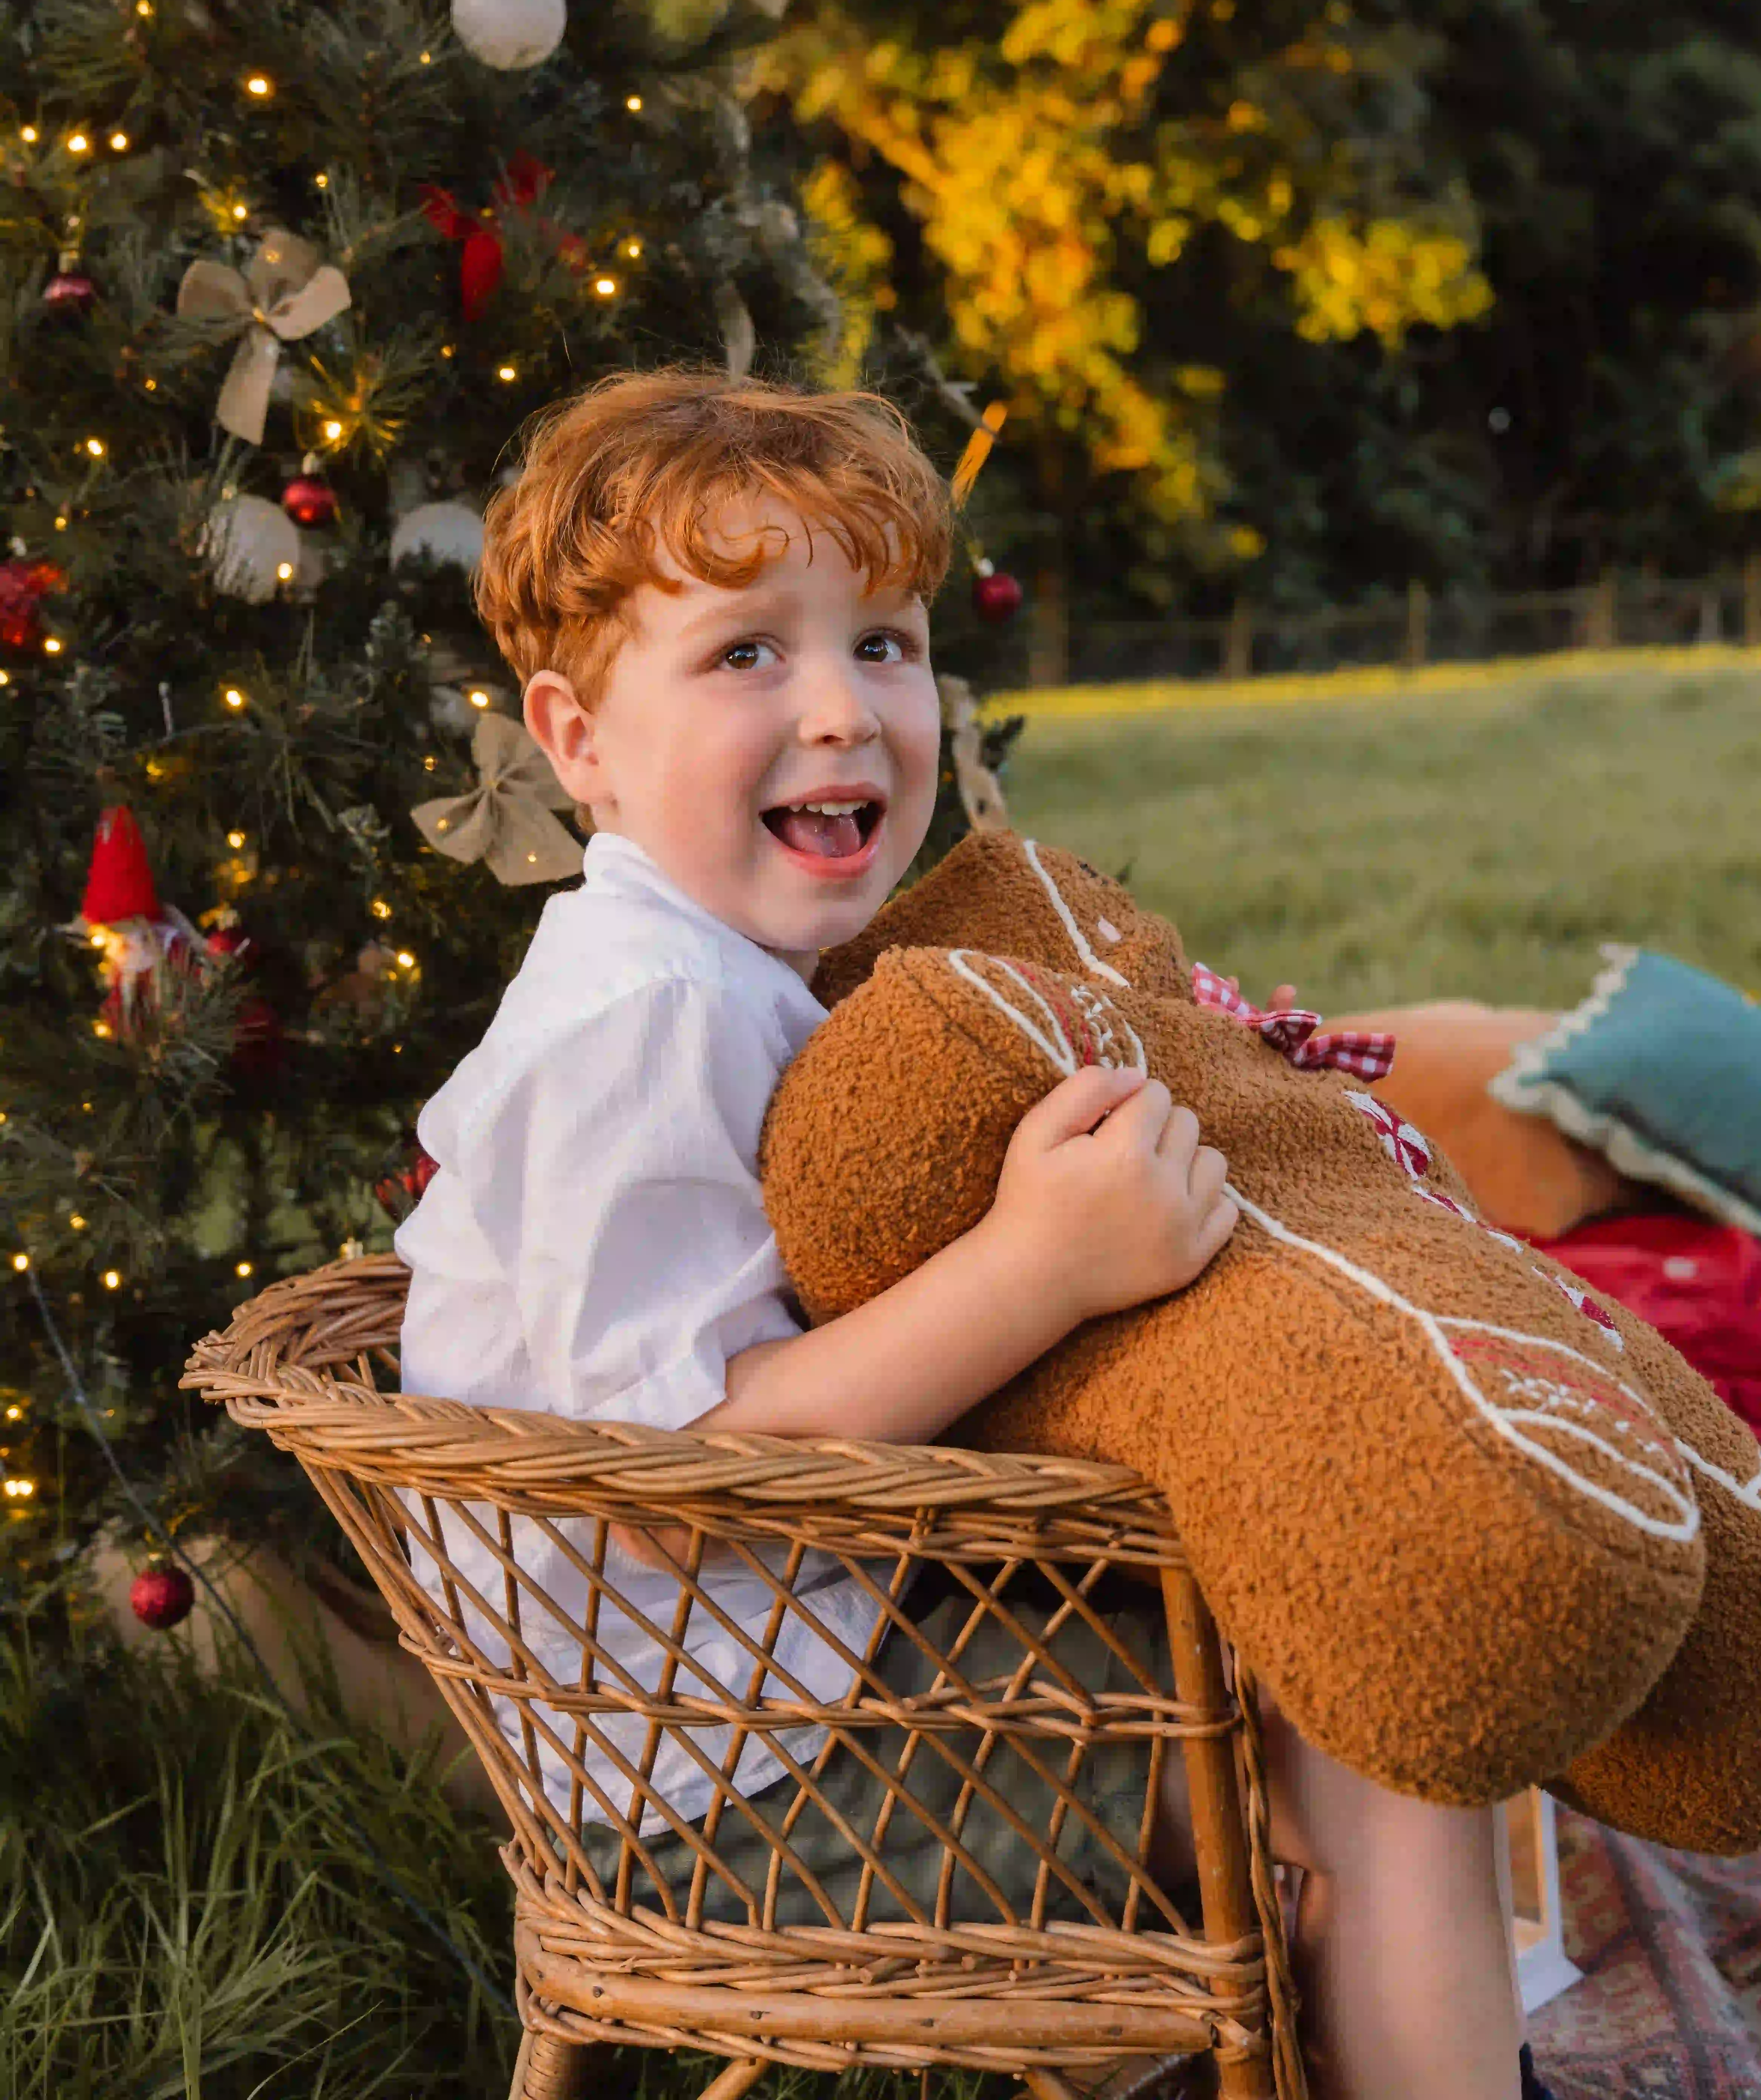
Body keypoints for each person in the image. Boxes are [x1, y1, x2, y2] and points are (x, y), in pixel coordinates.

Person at [395, 366, 1536, 2100]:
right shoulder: (644, 1022)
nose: (846, 712)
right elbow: (654, 1496)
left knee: (1315, 1632)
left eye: (885, 643)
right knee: (1381, 1743)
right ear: (575, 742)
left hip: (811, 1679)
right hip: (738, 1787)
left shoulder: (739, 980)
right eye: (747, 654)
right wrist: (1034, 1268)